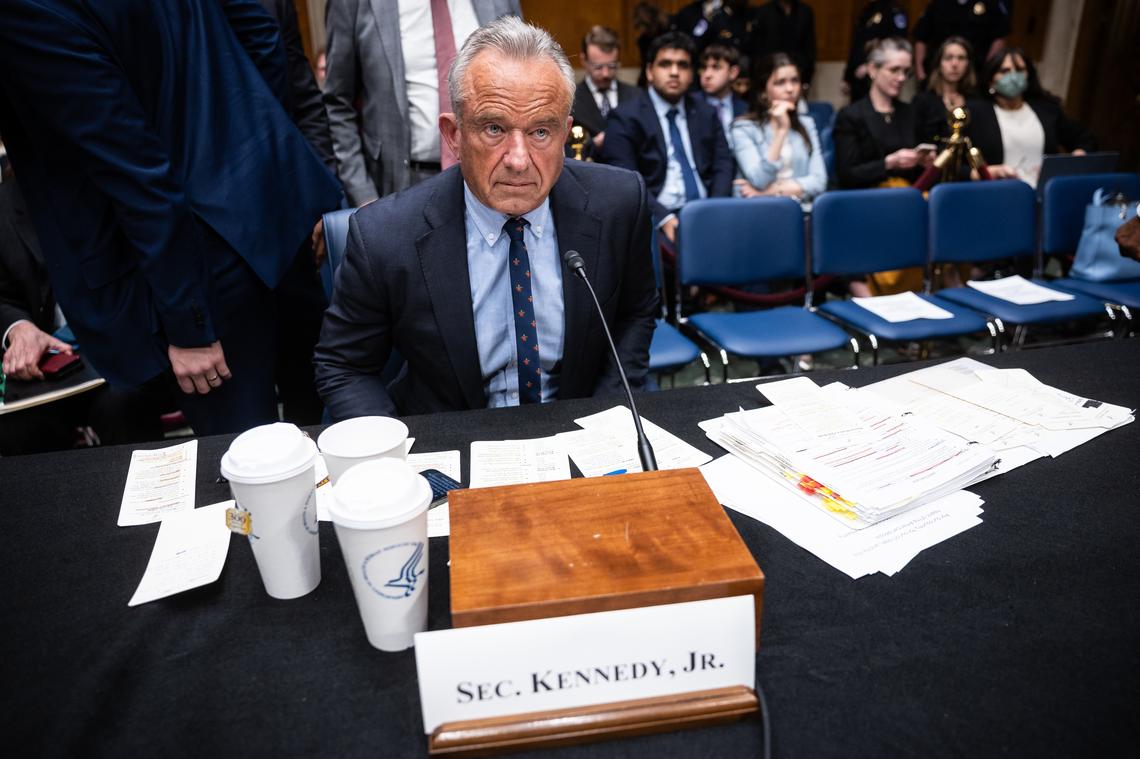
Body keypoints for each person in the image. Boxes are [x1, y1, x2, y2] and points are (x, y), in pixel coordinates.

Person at [0, 0, 342, 436]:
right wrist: (250, 158)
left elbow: (132, 167)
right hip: (268, 209)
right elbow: (259, 30)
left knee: (250, 461)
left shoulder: (20, 11)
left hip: (198, 264)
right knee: (324, 432)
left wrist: (190, 327)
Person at [313, 17, 658, 420]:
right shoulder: (385, 235)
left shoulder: (619, 204)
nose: (518, 160)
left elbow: (636, 313)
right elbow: (344, 366)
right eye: (494, 128)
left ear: (566, 134)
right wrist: (396, 448)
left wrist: (607, 418)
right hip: (447, 435)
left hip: (579, 428)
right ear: (453, 135)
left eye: (541, 132)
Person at [323, 0, 521, 206]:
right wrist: (363, 194)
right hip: (403, 183)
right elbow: (338, 103)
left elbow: (522, 77)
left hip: (491, 175)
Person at [599, 31, 734, 245]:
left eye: (683, 65)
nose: (674, 72)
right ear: (650, 71)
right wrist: (663, 218)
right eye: (665, 64)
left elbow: (723, 165)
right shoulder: (625, 117)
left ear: (692, 74)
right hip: (655, 218)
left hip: (706, 212)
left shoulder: (706, 113)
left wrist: (714, 210)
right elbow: (625, 179)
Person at [965, 46, 1096, 188]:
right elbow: (957, 166)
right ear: (991, 79)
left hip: (1044, 192)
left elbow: (1085, 139)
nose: (1014, 77)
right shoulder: (975, 113)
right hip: (996, 191)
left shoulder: (1047, 110)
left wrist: (1072, 161)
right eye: (1005, 71)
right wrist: (989, 172)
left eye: (1020, 70)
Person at [833, 38, 933, 190]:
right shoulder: (851, 116)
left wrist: (924, 162)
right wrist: (888, 163)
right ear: (873, 70)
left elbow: (919, 174)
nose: (902, 78)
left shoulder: (910, 112)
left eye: (906, 71)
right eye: (894, 70)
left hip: (907, 195)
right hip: (866, 198)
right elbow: (847, 175)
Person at [732, 53, 827, 203]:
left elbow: (819, 182)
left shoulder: (807, 124)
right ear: (763, 91)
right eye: (780, 82)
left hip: (801, 209)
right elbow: (759, 180)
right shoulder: (743, 128)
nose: (790, 89)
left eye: (795, 81)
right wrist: (782, 132)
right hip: (759, 210)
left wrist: (768, 192)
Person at [571, 25, 642, 154]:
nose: (606, 74)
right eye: (598, 67)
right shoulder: (571, 99)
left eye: (612, 66)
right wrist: (594, 144)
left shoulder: (636, 96)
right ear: (584, 60)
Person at [913, 0, 1011, 84]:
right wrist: (920, 73)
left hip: (976, 75)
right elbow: (921, 37)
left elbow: (999, 37)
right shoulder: (938, 3)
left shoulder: (990, 3)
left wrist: (989, 71)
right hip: (938, 74)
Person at [912, 36, 976, 144]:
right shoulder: (922, 101)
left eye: (961, 58)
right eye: (948, 58)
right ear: (939, 63)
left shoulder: (977, 102)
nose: (955, 64)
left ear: (968, 64)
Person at [842, 1, 909, 103]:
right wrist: (847, 77)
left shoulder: (895, 11)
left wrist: (871, 66)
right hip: (858, 78)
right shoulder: (868, 9)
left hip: (878, 76)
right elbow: (857, 45)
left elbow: (897, 46)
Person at [748, 0, 817, 87]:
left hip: (799, 72)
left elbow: (810, 47)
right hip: (770, 73)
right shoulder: (763, 12)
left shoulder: (805, 11)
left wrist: (807, 80)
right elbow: (757, 50)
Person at [699, 43, 748, 148]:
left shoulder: (745, 109)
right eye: (704, 67)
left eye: (716, 67)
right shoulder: (690, 105)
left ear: (733, 73)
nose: (707, 75)